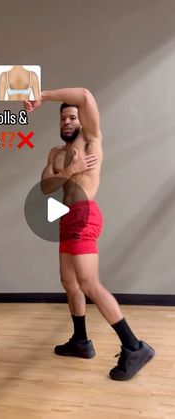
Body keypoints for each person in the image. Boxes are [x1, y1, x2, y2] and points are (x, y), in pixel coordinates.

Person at [23, 88, 155, 381]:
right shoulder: (56, 154)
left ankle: (134, 347)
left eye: (72, 117)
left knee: (88, 283)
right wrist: (71, 170)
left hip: (85, 216)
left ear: (82, 121)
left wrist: (41, 96)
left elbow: (83, 94)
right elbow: (46, 188)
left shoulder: (90, 141)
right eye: (63, 119)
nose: (68, 122)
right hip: (65, 219)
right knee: (69, 283)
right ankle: (81, 342)